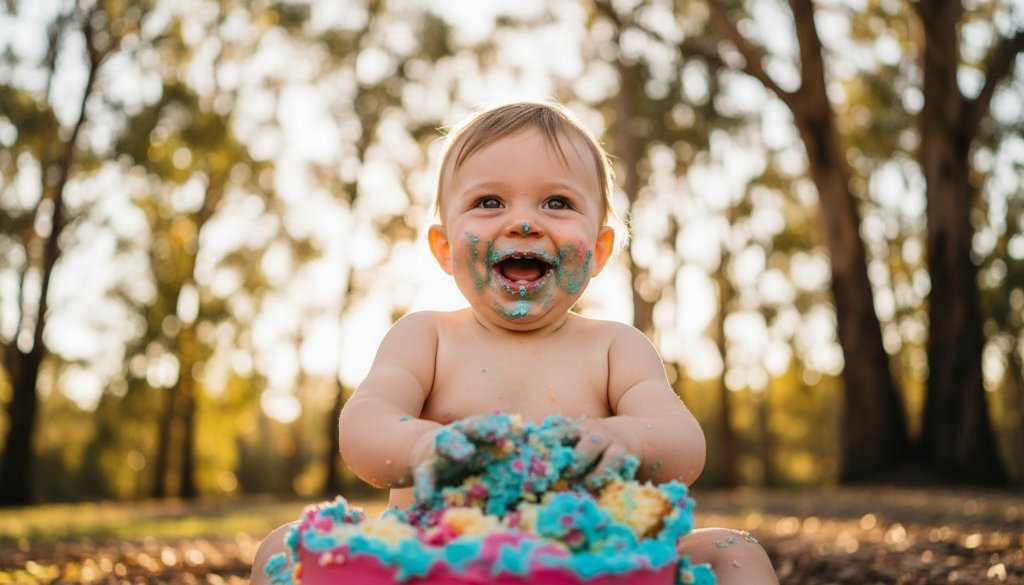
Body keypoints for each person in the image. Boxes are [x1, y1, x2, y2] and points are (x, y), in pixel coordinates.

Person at [250, 101, 779, 584]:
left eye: (556, 202)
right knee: (283, 548)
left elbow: (684, 445)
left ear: (598, 250)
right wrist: (421, 447)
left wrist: (631, 441)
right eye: (488, 201)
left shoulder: (615, 348)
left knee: (735, 551)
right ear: (444, 248)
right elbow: (364, 427)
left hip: (588, 562)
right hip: (431, 560)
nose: (524, 221)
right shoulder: (427, 337)